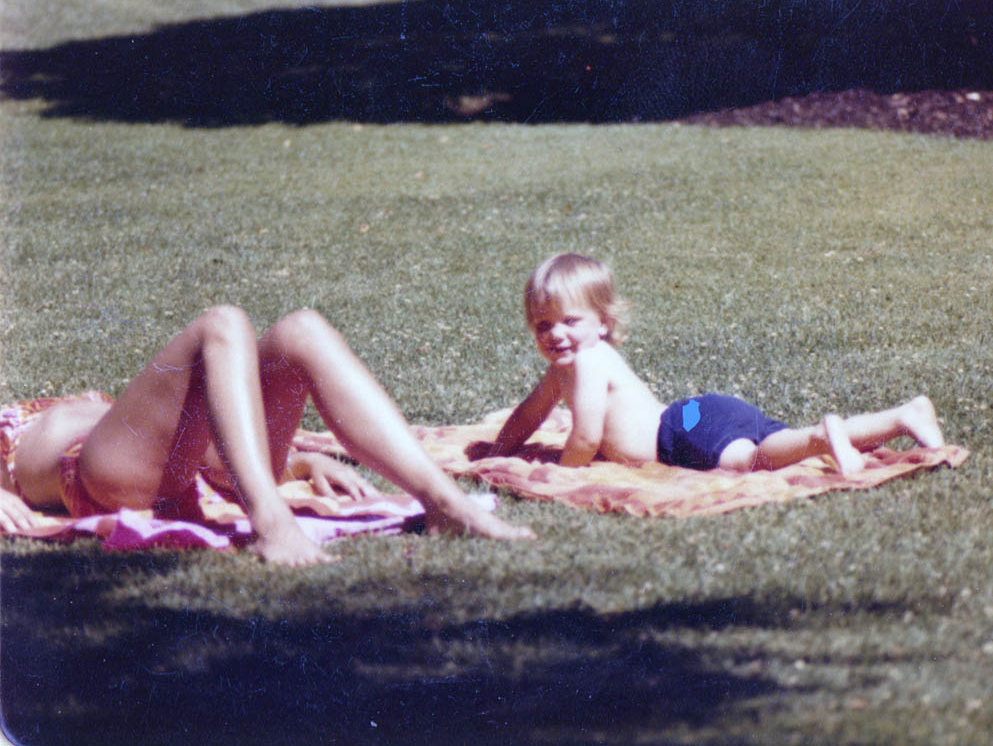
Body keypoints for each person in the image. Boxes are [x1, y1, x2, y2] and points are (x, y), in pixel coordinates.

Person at [0, 306, 534, 563]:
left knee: (301, 327)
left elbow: (203, 411)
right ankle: (271, 522)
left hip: (186, 469)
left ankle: (445, 503)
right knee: (222, 323)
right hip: (91, 473)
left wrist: (299, 459)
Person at [488, 253, 945, 475]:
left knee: (755, 461)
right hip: (699, 414)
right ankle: (905, 415)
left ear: (603, 323)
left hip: (683, 433)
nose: (556, 334)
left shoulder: (589, 362)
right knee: (780, 444)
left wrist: (562, 478)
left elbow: (585, 438)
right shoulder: (561, 371)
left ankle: (823, 437)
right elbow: (530, 415)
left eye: (569, 321)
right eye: (543, 325)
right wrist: (497, 451)